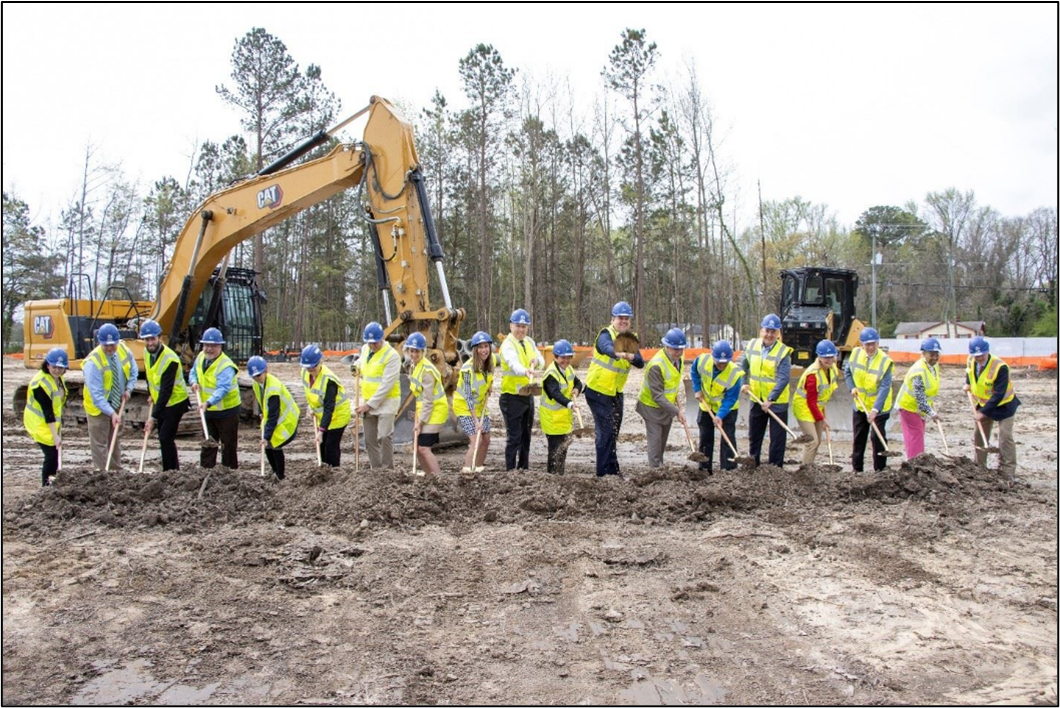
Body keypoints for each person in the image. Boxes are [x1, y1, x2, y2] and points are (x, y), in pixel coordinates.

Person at [584, 301, 645, 477]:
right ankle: (603, 475)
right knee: (606, 432)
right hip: (597, 391)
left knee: (613, 432)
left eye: (627, 319)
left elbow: (640, 362)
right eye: (620, 318)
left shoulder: (630, 339)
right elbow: (606, 348)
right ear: (613, 319)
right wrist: (620, 353)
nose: (623, 321)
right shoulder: (606, 333)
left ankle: (612, 470)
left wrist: (631, 356)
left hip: (615, 392)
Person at [83, 323, 138, 472]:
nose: (109, 348)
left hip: (117, 402)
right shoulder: (93, 363)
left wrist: (128, 389)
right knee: (100, 442)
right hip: (98, 407)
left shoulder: (124, 350)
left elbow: (133, 372)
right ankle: (102, 474)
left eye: (112, 344)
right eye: (105, 345)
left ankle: (115, 470)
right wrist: (112, 413)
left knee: (114, 438)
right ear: (99, 342)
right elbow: (97, 396)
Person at [741, 313, 792, 468]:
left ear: (778, 333)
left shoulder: (783, 352)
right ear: (761, 330)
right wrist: (744, 382)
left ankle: (775, 469)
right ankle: (753, 465)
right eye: (767, 330)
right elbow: (743, 365)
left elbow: (783, 378)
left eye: (773, 331)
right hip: (756, 398)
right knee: (755, 435)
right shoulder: (752, 346)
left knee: (777, 439)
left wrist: (771, 399)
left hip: (777, 403)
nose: (769, 334)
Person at [964, 336, 1020, 479]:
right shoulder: (971, 361)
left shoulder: (1000, 367)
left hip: (1004, 405)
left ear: (987, 351)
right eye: (976, 356)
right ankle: (979, 467)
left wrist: (982, 413)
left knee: (1005, 437)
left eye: (982, 355)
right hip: (983, 404)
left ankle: (1008, 471)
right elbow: (969, 372)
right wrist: (968, 383)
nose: (979, 358)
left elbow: (999, 394)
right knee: (979, 435)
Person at [139, 319, 190, 472]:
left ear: (160, 338)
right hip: (162, 401)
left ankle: (171, 472)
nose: (150, 343)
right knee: (164, 438)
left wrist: (153, 417)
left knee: (165, 437)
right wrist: (150, 393)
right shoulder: (146, 353)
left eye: (153, 339)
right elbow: (150, 376)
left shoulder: (171, 359)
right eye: (147, 339)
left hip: (175, 402)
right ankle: (171, 470)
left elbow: (166, 391)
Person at [498, 308, 545, 471]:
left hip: (527, 395)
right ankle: (510, 472)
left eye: (524, 326)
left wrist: (536, 362)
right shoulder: (507, 345)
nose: (521, 329)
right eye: (518, 326)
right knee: (514, 438)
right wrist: (525, 370)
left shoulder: (529, 342)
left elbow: (541, 359)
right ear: (511, 326)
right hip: (511, 397)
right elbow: (513, 363)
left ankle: (523, 468)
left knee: (526, 435)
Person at [844, 327, 895, 473]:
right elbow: (848, 372)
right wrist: (851, 387)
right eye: (867, 344)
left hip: (880, 407)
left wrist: (875, 410)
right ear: (861, 344)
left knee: (876, 437)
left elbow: (885, 387)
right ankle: (857, 469)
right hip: (860, 405)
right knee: (859, 437)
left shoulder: (885, 361)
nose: (871, 347)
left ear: (878, 343)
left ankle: (880, 469)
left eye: (873, 343)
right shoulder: (855, 354)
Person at [635, 328, 688, 469]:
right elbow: (657, 396)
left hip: (667, 406)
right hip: (650, 406)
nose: (678, 352)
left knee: (663, 440)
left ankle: (660, 465)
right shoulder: (656, 365)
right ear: (666, 346)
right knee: (655, 440)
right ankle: (655, 471)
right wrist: (677, 411)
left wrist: (677, 405)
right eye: (674, 349)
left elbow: (673, 382)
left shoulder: (679, 359)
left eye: (680, 349)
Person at [190, 327, 241, 469]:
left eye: (213, 346)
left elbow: (222, 389)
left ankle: (229, 474)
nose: (209, 349)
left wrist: (208, 402)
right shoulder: (201, 357)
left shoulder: (226, 365)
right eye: (206, 345)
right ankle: (206, 471)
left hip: (227, 412)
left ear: (220, 346)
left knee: (228, 446)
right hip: (208, 410)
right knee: (208, 442)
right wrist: (193, 382)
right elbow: (193, 372)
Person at [691, 340, 744, 474]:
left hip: (728, 410)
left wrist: (720, 415)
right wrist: (697, 389)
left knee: (727, 438)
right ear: (712, 356)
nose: (721, 365)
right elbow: (694, 372)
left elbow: (730, 399)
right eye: (718, 361)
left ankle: (728, 470)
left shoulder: (735, 374)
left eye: (724, 362)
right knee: (705, 437)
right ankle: (704, 468)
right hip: (706, 405)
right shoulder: (702, 361)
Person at [353, 322, 401, 469]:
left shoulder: (392, 356)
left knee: (385, 435)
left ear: (382, 339)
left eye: (375, 343)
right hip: (368, 400)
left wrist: (369, 405)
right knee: (369, 439)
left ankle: (387, 470)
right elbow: (361, 363)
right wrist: (355, 367)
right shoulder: (365, 349)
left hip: (387, 402)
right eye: (370, 343)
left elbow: (386, 385)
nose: (372, 346)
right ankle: (376, 470)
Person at [404, 332, 449, 476]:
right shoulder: (414, 366)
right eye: (412, 351)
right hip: (424, 410)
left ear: (423, 352)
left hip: (435, 411)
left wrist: (421, 422)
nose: (414, 354)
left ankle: (438, 479)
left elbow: (429, 400)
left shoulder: (427, 370)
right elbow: (419, 396)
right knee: (417, 448)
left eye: (417, 351)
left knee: (423, 448)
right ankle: (428, 477)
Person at [23, 347, 69, 486]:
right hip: (39, 423)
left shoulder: (58, 378)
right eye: (54, 367)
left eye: (61, 368)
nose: (57, 370)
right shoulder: (40, 384)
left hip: (50, 422)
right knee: (51, 455)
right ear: (47, 365)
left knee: (55, 454)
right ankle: (46, 486)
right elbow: (47, 411)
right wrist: (55, 436)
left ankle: (53, 482)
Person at [453, 331, 497, 474]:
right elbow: (468, 397)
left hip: (480, 406)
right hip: (464, 407)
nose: (484, 350)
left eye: (486, 347)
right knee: (476, 440)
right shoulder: (467, 369)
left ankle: (477, 468)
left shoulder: (492, 361)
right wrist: (475, 421)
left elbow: (490, 376)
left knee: (486, 439)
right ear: (474, 350)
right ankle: (466, 471)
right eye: (480, 347)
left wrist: (489, 385)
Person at [300, 343, 351, 468]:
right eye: (308, 368)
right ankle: (324, 473)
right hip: (322, 416)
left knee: (330, 447)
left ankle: (334, 474)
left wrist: (321, 431)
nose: (311, 370)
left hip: (338, 416)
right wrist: (312, 408)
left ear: (320, 362)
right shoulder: (304, 373)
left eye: (313, 367)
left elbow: (329, 408)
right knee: (321, 446)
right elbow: (310, 392)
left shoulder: (329, 381)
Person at [248, 356, 299, 480]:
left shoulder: (273, 388)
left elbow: (273, 416)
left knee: (275, 445)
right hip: (276, 419)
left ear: (266, 370)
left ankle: (280, 476)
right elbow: (261, 400)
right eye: (254, 376)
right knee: (268, 447)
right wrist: (261, 412)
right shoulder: (257, 384)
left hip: (287, 421)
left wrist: (266, 436)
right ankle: (275, 471)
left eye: (259, 375)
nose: (257, 378)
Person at [792, 340, 840, 465]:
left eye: (831, 357)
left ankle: (810, 468)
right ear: (819, 357)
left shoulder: (832, 369)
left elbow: (823, 395)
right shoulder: (812, 375)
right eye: (825, 357)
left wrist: (822, 413)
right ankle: (804, 472)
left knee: (817, 441)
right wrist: (822, 418)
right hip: (804, 408)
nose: (828, 360)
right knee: (812, 442)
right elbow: (811, 401)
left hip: (817, 407)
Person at [540, 340, 585, 474]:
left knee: (563, 449)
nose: (565, 360)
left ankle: (560, 475)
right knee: (555, 451)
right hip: (552, 420)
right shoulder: (551, 374)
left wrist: (576, 390)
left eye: (568, 357)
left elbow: (578, 382)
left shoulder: (568, 369)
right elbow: (555, 394)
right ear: (555, 357)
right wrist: (571, 404)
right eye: (562, 357)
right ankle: (552, 476)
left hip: (564, 420)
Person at [897, 337, 942, 460]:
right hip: (909, 407)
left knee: (918, 435)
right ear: (923, 354)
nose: (934, 357)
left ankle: (917, 464)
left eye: (936, 354)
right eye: (931, 354)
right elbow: (920, 400)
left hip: (919, 409)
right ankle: (914, 466)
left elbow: (929, 390)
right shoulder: (918, 372)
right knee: (915, 438)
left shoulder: (934, 366)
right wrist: (933, 414)